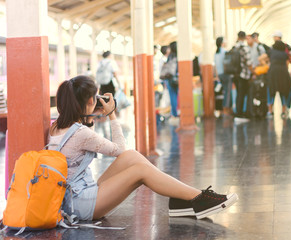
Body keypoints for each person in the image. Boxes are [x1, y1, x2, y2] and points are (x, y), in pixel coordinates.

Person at [48, 75, 238, 221]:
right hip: (82, 204)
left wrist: (90, 115)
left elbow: (114, 150)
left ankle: (184, 200)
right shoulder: (81, 133)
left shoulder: (56, 126)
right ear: (90, 101)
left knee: (132, 156)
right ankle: (198, 198)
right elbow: (119, 148)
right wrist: (112, 115)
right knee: (139, 169)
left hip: (72, 198)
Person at [233, 31, 254, 124]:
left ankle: (238, 112)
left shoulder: (234, 47)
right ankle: (241, 114)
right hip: (244, 75)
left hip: (235, 74)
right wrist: (253, 72)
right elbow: (249, 63)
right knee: (243, 94)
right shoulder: (244, 48)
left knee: (239, 94)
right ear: (244, 37)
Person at [267, 40, 291, 118]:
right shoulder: (285, 54)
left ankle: (270, 111)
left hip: (273, 73)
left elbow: (262, 58)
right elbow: (287, 64)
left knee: (271, 91)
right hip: (283, 73)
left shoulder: (271, 52)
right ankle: (283, 111)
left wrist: (267, 65)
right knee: (283, 92)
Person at [214, 37, 232, 115]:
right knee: (228, 92)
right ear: (222, 43)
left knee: (224, 92)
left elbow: (215, 67)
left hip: (220, 75)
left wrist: (217, 76)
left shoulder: (215, 53)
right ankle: (226, 109)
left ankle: (223, 109)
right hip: (226, 74)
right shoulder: (224, 52)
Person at [163, 42, 179, 124]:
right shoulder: (179, 55)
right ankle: (179, 112)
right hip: (178, 79)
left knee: (173, 97)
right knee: (177, 96)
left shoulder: (170, 56)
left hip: (170, 79)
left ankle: (174, 114)